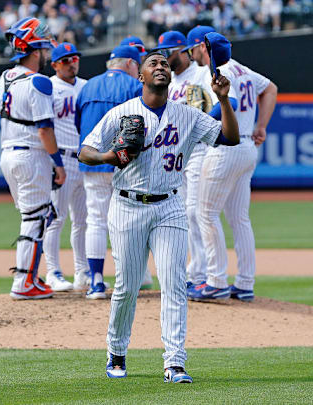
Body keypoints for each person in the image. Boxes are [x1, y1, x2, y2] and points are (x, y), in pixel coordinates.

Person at [78, 50, 239, 383]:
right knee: (126, 286)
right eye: (153, 64)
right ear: (141, 76)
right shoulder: (122, 113)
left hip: (170, 206)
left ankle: (175, 362)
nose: (161, 67)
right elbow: (85, 151)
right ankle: (117, 351)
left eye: (165, 64)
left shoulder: (187, 115)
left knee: (174, 283)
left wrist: (223, 101)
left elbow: (230, 137)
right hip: (127, 206)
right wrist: (111, 155)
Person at [189, 32, 278, 303]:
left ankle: (216, 281)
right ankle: (245, 282)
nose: (190, 53)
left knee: (205, 214)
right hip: (248, 147)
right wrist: (261, 125)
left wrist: (197, 122)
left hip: (226, 148)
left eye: (192, 48)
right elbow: (271, 88)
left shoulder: (217, 71)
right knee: (239, 218)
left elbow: (233, 102)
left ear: (203, 48)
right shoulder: (241, 67)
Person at [0, 17, 66, 300]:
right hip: (31, 155)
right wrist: (58, 164)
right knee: (35, 218)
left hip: (8, 154)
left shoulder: (4, 78)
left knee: (34, 216)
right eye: (44, 48)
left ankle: (29, 278)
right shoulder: (38, 82)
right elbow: (44, 129)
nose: (47, 53)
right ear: (35, 51)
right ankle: (24, 282)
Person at [161, 26, 237, 293]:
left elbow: (226, 101)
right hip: (176, 152)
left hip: (199, 150)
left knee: (195, 211)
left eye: (167, 52)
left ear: (182, 50)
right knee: (182, 212)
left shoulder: (202, 73)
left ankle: (202, 273)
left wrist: (197, 125)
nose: (164, 57)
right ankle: (192, 272)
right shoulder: (169, 81)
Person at [74, 45, 144, 299]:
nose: (137, 69)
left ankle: (95, 282)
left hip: (92, 163)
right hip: (123, 164)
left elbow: (78, 124)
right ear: (128, 63)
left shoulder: (87, 87)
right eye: (137, 64)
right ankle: (127, 282)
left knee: (95, 221)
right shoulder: (134, 86)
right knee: (127, 222)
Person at [43, 42, 89, 292]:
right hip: (61, 159)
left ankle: (82, 271)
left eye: (75, 59)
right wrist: (52, 161)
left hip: (85, 159)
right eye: (65, 60)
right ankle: (53, 272)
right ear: (55, 65)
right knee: (56, 219)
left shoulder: (86, 86)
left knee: (83, 221)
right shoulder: (48, 88)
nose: (72, 64)